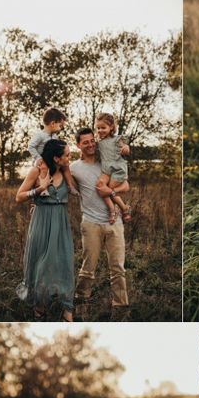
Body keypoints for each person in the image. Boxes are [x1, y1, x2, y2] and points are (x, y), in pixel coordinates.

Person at [70, 127, 130, 320]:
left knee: (118, 269)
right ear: (78, 145)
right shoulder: (73, 168)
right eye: (85, 142)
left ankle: (120, 309)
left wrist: (110, 192)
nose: (90, 145)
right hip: (91, 224)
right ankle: (81, 304)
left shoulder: (107, 161)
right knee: (88, 268)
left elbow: (126, 185)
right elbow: (62, 186)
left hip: (115, 223)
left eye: (92, 141)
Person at [16, 138, 76, 321]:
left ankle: (67, 307)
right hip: (41, 222)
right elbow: (18, 196)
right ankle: (40, 305)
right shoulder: (37, 171)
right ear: (56, 158)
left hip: (60, 223)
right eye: (67, 155)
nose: (69, 158)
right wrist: (39, 189)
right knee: (40, 263)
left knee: (64, 262)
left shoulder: (66, 172)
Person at [27, 106, 78, 195]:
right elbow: (31, 146)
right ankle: (43, 189)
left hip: (52, 160)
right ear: (53, 123)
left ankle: (70, 186)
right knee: (44, 168)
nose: (61, 128)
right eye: (60, 125)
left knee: (65, 166)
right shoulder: (40, 135)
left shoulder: (54, 136)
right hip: (42, 160)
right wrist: (38, 158)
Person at [94, 112, 131, 223]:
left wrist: (126, 148)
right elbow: (95, 154)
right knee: (100, 186)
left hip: (117, 169)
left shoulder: (117, 139)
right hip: (106, 169)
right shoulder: (99, 143)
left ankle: (120, 210)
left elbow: (125, 148)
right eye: (98, 128)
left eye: (103, 128)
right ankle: (119, 208)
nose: (100, 130)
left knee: (107, 190)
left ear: (111, 127)